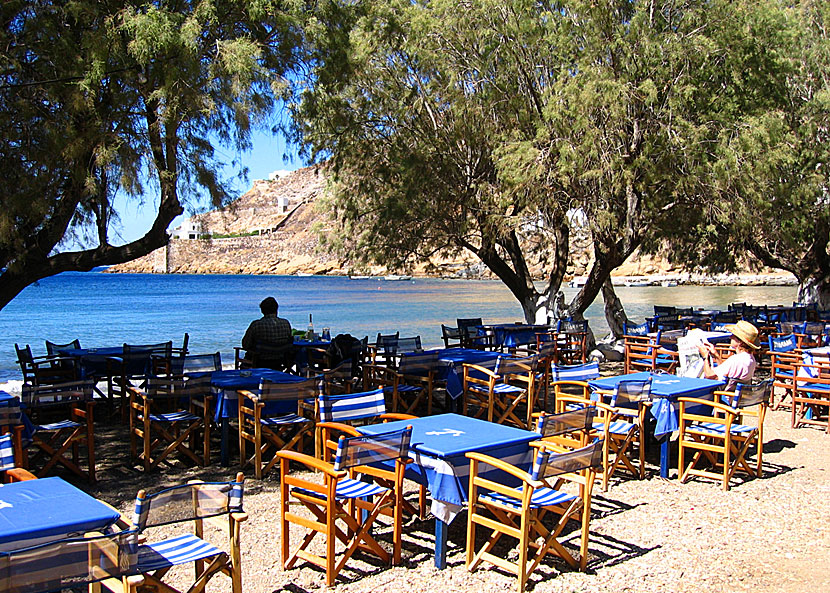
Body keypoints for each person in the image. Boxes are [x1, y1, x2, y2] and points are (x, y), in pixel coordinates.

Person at [697, 319, 760, 387]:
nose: (730, 337)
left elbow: (710, 376)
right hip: (736, 395)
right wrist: (716, 355)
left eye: (734, 336)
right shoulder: (750, 359)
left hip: (722, 395)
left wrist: (705, 357)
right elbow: (726, 372)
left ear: (740, 342)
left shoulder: (736, 360)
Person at [241, 297, 293, 370]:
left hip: (260, 361)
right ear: (276, 309)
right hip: (280, 360)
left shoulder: (257, 324)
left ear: (262, 311)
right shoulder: (285, 323)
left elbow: (245, 344)